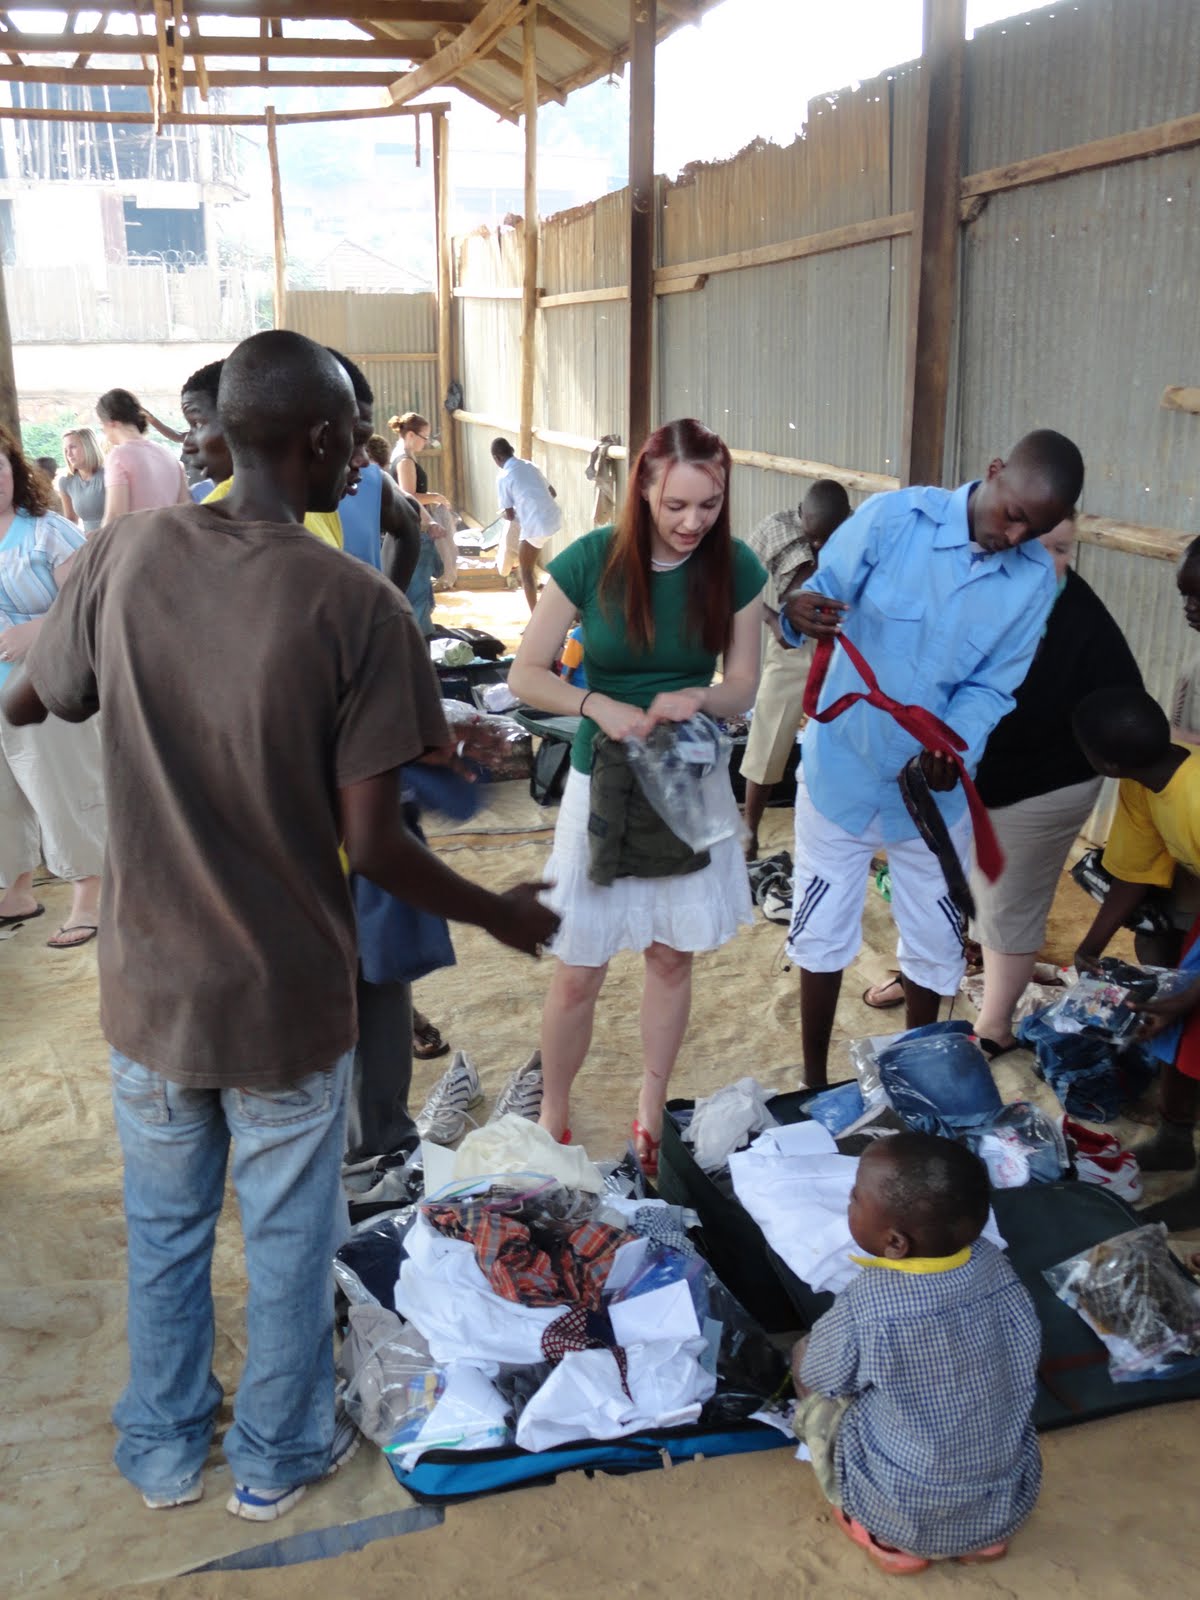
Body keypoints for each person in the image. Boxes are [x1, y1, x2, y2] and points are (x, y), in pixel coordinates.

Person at [2, 330, 559, 1521]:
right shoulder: (357, 605)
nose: (361, 458)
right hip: (285, 998)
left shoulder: (126, 552)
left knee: (164, 1230)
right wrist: (500, 912)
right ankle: (277, 1450)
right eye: (352, 437)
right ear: (315, 442)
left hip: (150, 988)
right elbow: (381, 846)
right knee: (292, 1233)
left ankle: (162, 1448)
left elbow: (34, 696)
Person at [781, 429, 1085, 1087]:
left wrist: (953, 746)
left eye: (1033, 530)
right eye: (1012, 515)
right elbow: (820, 593)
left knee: (935, 941)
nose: (1014, 537)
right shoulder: (895, 520)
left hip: (934, 794)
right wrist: (795, 612)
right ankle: (812, 1082)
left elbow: (992, 687)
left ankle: (914, 1081)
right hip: (842, 770)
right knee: (821, 930)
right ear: (994, 469)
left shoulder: (1034, 580)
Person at [508, 418, 766, 1173]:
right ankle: (554, 1112)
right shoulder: (591, 560)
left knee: (671, 956)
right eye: (676, 505)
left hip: (688, 780)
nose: (693, 522)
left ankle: (651, 1108)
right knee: (579, 966)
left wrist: (701, 696)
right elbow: (527, 674)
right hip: (604, 781)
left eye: (709, 505)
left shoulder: (737, 567)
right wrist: (596, 705)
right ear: (643, 490)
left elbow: (743, 686)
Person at [791, 1134, 1041, 1573]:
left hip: (907, 1506)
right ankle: (982, 1540)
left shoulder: (869, 1303)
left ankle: (889, 1540)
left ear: (895, 1243)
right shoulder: (995, 1266)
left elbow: (824, 1376)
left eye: (854, 1197)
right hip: (1003, 1496)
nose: (849, 1201)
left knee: (806, 1359)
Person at [965, 518, 1142, 1054]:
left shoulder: (1077, 616)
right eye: (1034, 547)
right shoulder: (981, 583)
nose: (1047, 562)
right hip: (987, 770)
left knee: (1009, 899)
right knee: (968, 883)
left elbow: (1124, 704)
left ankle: (994, 1028)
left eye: (1061, 549)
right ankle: (957, 965)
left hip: (1048, 777)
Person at [1072, 685, 1200, 1228]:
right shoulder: (1144, 782)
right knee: (1186, 1031)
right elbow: (1134, 870)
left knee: (1189, 1013)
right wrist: (1090, 947)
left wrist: (1189, 994)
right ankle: (1175, 1138)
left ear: (1105, 763)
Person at [0, 423, 104, 947]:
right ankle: (15, 892)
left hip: (45, 684)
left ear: (14, 471)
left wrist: (37, 630)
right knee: (5, 798)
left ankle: (91, 897)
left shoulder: (46, 530)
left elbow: (92, 600)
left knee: (62, 789)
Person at [740, 479, 851, 859]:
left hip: (843, 650)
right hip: (791, 647)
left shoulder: (860, 534)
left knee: (844, 742)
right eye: (813, 537)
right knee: (767, 737)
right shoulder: (776, 528)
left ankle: (840, 837)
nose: (818, 546)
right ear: (801, 513)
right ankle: (749, 830)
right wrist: (773, 620)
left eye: (827, 539)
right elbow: (734, 581)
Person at [180, 359, 344, 550]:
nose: (187, 445)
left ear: (242, 422)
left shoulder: (319, 505)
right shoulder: (208, 526)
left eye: (197, 424)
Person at [491, 435, 562, 614]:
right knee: (529, 560)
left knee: (526, 572)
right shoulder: (530, 465)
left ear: (497, 458)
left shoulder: (503, 476)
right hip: (553, 518)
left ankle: (536, 618)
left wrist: (517, 509)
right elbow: (552, 493)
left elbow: (509, 514)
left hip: (536, 525)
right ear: (511, 451)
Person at [96, 387, 188, 521]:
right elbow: (185, 510)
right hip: (170, 533)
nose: (103, 431)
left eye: (101, 424)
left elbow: (115, 518)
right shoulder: (168, 455)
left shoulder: (118, 456)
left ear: (112, 423)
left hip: (136, 534)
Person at [389, 410, 457, 588]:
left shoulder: (402, 453)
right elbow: (409, 496)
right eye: (424, 437)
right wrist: (436, 497)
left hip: (409, 524)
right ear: (411, 435)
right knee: (419, 586)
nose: (426, 442)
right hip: (414, 527)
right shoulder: (405, 460)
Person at [59, 427, 107, 532]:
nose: (68, 454)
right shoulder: (66, 482)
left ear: (88, 447)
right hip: (88, 539)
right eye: (65, 450)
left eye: (73, 447)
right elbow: (71, 521)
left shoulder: (109, 475)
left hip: (115, 536)